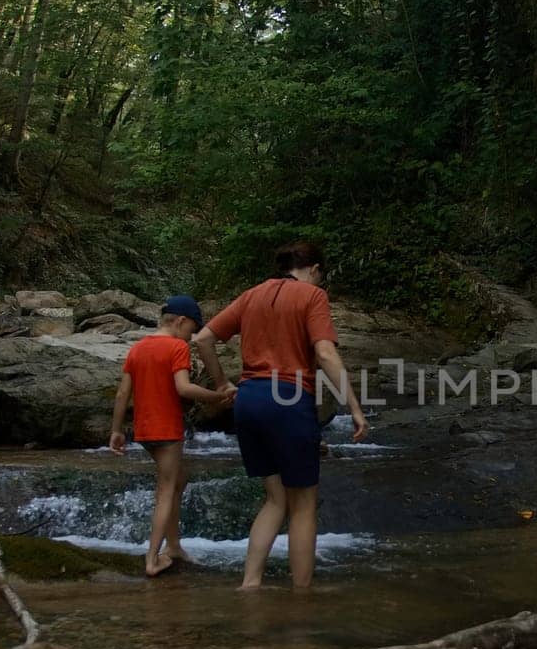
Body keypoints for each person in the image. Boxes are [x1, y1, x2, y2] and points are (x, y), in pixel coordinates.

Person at [193, 241, 368, 589]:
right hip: (287, 398)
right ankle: (301, 594)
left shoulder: (252, 295)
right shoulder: (311, 296)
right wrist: (355, 408)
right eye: (321, 277)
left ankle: (250, 583)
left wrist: (222, 383)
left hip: (249, 399)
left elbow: (203, 339)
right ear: (314, 269)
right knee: (303, 504)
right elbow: (325, 353)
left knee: (275, 499)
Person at [108, 295, 231, 577]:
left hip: (145, 431)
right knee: (166, 489)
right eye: (191, 331)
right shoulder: (176, 347)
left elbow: (122, 393)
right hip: (167, 429)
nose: (190, 338)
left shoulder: (138, 348)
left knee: (178, 479)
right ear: (180, 321)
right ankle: (152, 559)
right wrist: (216, 397)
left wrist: (116, 430)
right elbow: (184, 389)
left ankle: (174, 546)